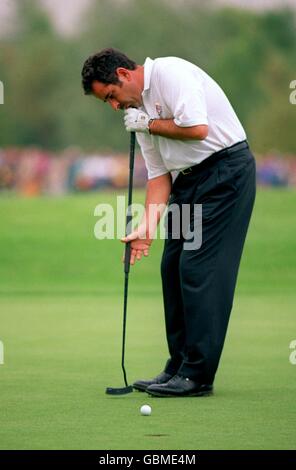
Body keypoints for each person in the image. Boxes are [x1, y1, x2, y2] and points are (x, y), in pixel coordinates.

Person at [81, 48, 256, 397]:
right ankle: (178, 365)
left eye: (112, 96)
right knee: (172, 266)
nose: (115, 106)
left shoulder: (170, 74)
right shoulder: (137, 113)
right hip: (186, 181)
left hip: (225, 173)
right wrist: (146, 229)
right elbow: (159, 176)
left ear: (124, 74)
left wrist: (148, 124)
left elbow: (197, 129)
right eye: (107, 103)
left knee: (197, 269)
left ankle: (197, 374)